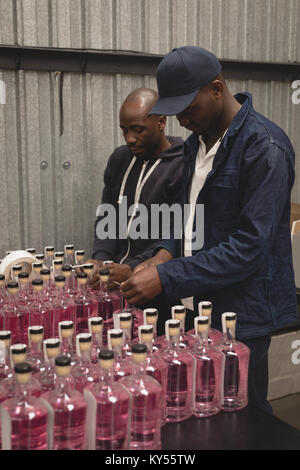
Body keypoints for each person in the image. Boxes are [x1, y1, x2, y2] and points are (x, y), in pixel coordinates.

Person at [120, 46, 298, 414]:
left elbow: (249, 247)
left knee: (241, 417)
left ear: (217, 89)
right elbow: (189, 220)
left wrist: (166, 276)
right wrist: (162, 255)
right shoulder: (194, 147)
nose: (182, 119)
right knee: (197, 413)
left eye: (189, 107)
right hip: (195, 305)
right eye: (176, 111)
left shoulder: (264, 147)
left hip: (240, 316)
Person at [88, 88, 184, 306]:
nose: (130, 138)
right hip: (115, 283)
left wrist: (131, 268)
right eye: (124, 130)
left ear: (161, 122)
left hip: (156, 285)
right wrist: (102, 261)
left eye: (138, 130)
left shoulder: (182, 164)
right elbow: (108, 217)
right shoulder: (120, 159)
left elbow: (176, 235)